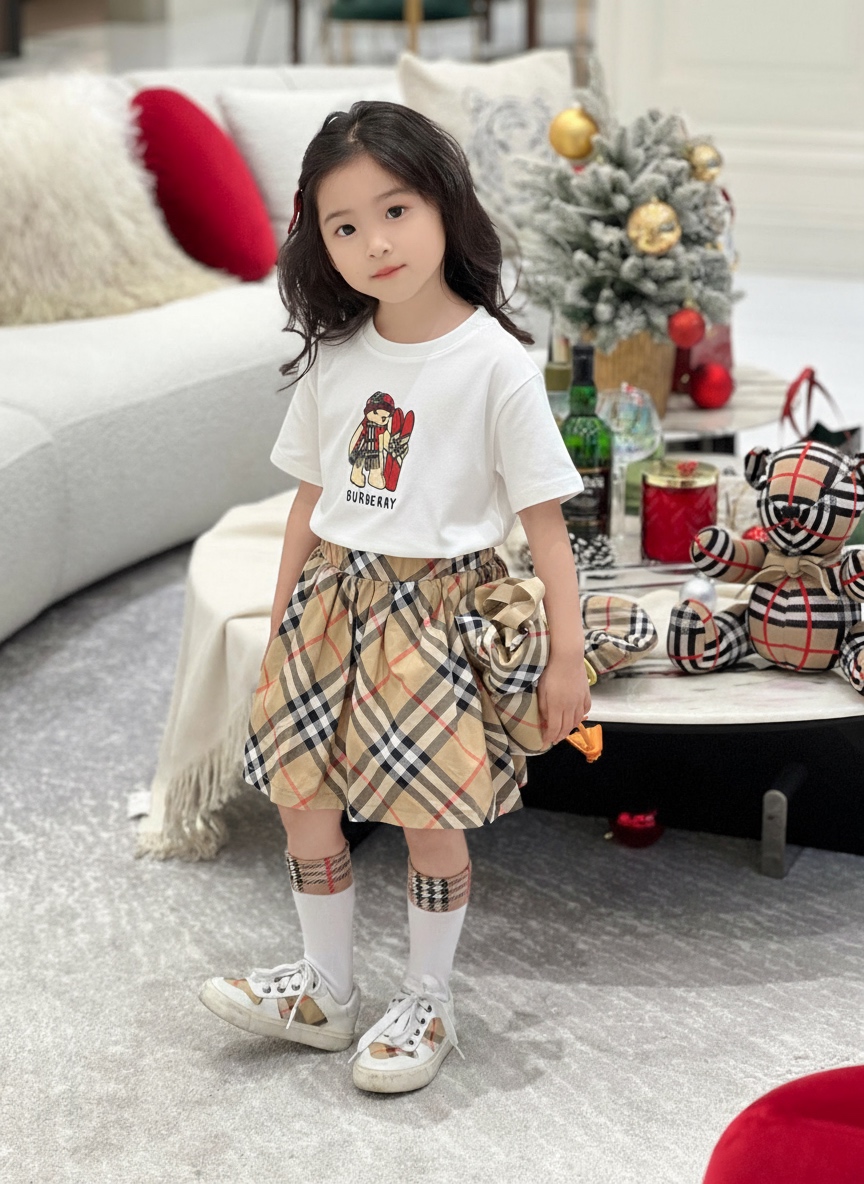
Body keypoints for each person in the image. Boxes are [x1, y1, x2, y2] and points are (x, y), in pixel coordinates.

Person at [199, 101, 591, 1095]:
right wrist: (281, 626)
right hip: (330, 605)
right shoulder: (336, 357)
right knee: (300, 798)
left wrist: (568, 656)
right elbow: (309, 504)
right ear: (319, 243)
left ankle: (428, 998)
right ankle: (326, 989)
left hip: (435, 620)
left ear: (445, 206)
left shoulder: (497, 364)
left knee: (428, 817)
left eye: (396, 210)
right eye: (344, 226)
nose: (374, 243)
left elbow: (546, 527)